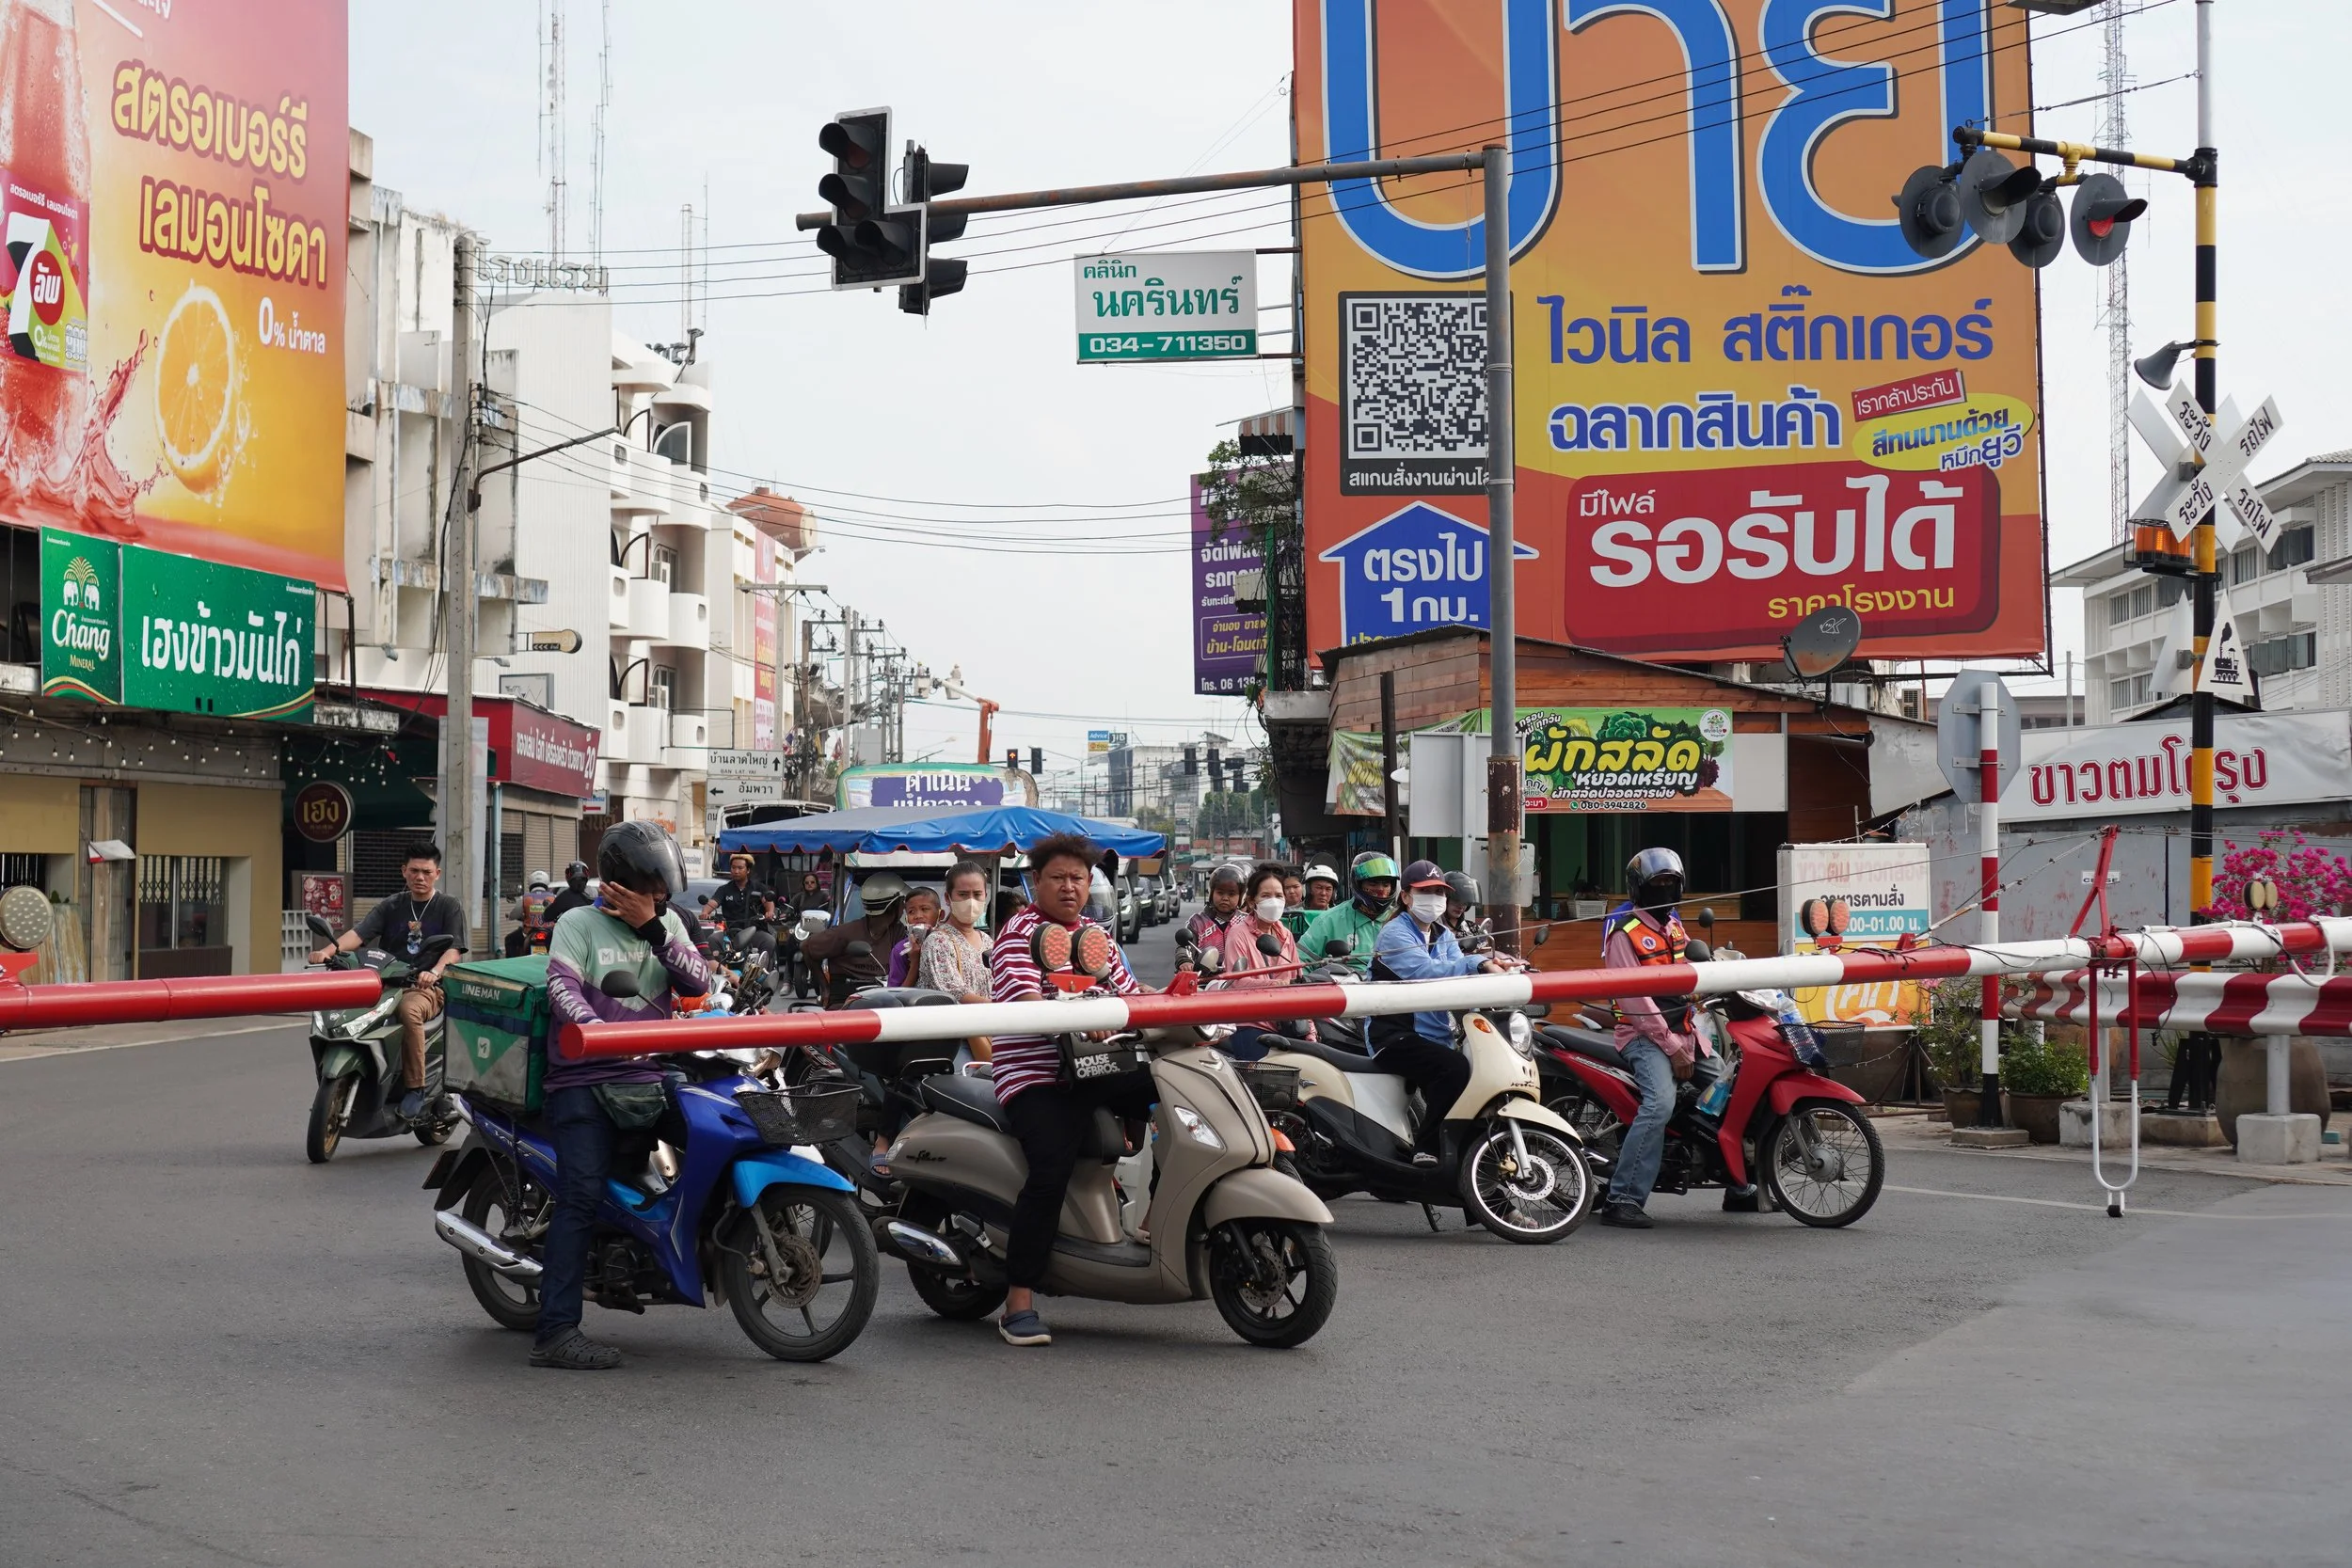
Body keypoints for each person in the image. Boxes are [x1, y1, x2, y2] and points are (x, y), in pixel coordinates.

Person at [534, 821, 712, 1370]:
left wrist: (655, 929)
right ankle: (556, 1332)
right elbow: (561, 988)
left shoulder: (669, 926)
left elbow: (698, 984)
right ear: (619, 881)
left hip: (650, 1076)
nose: (659, 896)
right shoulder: (576, 923)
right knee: (580, 1197)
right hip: (583, 1080)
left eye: (663, 888)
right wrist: (598, 1031)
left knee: (714, 1138)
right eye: (650, 887)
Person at [987, 832, 1156, 1348]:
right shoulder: (1019, 932)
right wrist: (1084, 1013)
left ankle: (1153, 1217)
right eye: (1057, 878)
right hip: (1037, 1076)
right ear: (1035, 881)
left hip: (1098, 1065)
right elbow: (1021, 990)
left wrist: (1156, 998)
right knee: (1050, 1170)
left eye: (1078, 879)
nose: (1069, 888)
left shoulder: (1094, 934)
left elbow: (1123, 988)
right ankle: (1018, 1300)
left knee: (1170, 1098)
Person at [1368, 860, 1521, 1165]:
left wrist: (1497, 970)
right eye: (1425, 891)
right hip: (1395, 1036)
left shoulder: (1443, 935)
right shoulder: (1394, 933)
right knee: (1453, 1069)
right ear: (1406, 897)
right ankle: (1426, 1148)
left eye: (1440, 891)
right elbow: (1427, 972)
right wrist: (1475, 963)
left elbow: (1459, 978)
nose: (1435, 898)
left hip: (1437, 1035)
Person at [309, 840, 465, 1121]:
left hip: (423, 987)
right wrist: (327, 951)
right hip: (383, 982)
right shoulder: (392, 905)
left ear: (437, 874)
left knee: (408, 1012)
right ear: (404, 871)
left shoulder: (447, 906)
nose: (420, 877)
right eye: (415, 871)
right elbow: (359, 934)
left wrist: (436, 971)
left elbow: (453, 950)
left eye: (426, 872)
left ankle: (415, 1088)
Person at [1597, 847, 1697, 1230]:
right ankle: (1622, 1198)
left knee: (1727, 1081)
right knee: (1659, 1104)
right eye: (1659, 884)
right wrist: (1673, 1048)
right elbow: (1635, 1001)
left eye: (1672, 884)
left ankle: (1740, 1183)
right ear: (1640, 889)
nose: (1667, 891)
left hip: (1685, 1029)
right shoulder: (1624, 934)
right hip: (1641, 1035)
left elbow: (1691, 969)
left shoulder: (1674, 926)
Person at [1219, 863, 1310, 1061]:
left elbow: (1298, 982)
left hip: (1286, 1022)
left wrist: (1310, 1030)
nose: (1274, 902)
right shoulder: (1238, 934)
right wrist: (1280, 984)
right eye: (1266, 896)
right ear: (1252, 902)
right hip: (1251, 1023)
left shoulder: (1285, 935)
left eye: (1278, 896)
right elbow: (1238, 983)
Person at [919, 861, 995, 1061]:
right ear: (948, 898)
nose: (971, 901)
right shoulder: (938, 941)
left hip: (987, 1033)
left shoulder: (987, 940)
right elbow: (954, 992)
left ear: (985, 897)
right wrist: (1000, 1006)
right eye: (963, 895)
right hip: (953, 1042)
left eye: (977, 894)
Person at [801, 870, 907, 1006]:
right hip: (847, 1002)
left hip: (888, 1000)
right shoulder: (846, 933)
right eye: (902, 902)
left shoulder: (898, 932)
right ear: (892, 906)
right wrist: (824, 988)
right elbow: (806, 947)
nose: (904, 907)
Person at [1298, 851, 1400, 979]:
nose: (1380, 890)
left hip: (1395, 993)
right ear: (1358, 883)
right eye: (1373, 884)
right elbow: (1300, 962)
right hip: (1347, 994)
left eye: (1386, 885)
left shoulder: (1400, 920)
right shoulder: (1329, 920)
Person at [700, 852, 777, 961]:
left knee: (769, 940)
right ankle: (719, 971)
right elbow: (713, 903)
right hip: (730, 934)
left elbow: (768, 902)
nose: (736, 871)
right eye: (733, 868)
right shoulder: (724, 889)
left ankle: (762, 972)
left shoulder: (758, 888)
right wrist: (705, 912)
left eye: (740, 868)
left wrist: (769, 912)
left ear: (748, 870)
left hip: (754, 932)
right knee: (713, 939)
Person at [1179, 862, 1246, 965]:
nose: (1225, 898)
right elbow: (1186, 946)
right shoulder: (1197, 922)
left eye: (1231, 894)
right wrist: (1185, 961)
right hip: (1205, 978)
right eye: (1220, 893)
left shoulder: (1247, 922)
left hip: (1241, 979)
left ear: (1241, 897)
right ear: (1212, 893)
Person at [885, 887, 943, 988]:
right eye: (911, 912)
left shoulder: (949, 944)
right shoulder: (901, 950)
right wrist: (915, 962)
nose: (918, 916)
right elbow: (896, 995)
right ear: (906, 919)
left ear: (940, 915)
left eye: (924, 909)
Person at [1441, 870, 1487, 952]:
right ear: (1445, 899)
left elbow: (1486, 955)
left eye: (1465, 902)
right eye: (1456, 901)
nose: (1461, 906)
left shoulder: (1474, 929)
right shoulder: (1432, 929)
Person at [519, 870, 557, 954]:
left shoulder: (524, 898)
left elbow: (515, 914)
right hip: (550, 932)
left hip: (529, 932)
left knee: (509, 940)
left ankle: (511, 965)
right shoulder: (554, 898)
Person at [546, 862, 594, 926]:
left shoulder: (563, 898)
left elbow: (547, 916)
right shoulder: (594, 894)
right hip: (588, 932)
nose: (578, 883)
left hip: (569, 932)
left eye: (581, 879)